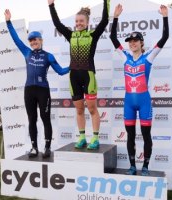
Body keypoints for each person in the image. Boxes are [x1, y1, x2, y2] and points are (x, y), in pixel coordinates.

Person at [110, 4, 169, 176]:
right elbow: (113, 38)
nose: (132, 43)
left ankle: (145, 166)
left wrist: (165, 17)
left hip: (144, 102)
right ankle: (132, 166)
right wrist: (115, 18)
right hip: (129, 102)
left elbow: (164, 37)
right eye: (130, 41)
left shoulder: (148, 56)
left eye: (135, 41)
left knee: (146, 135)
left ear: (141, 42)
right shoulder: (124, 57)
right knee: (130, 136)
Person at [4, 9, 70, 158]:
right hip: (29, 90)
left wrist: (73, 66)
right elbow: (16, 40)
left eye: (36, 39)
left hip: (43, 91)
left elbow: (60, 71)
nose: (33, 42)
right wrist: (8, 22)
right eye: (31, 40)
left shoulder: (48, 56)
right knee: (31, 119)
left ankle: (47, 147)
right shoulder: (27, 52)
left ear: (41, 40)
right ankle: (34, 147)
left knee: (45, 119)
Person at [48, 0, 110, 150]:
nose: (78, 23)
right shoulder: (71, 35)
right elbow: (57, 24)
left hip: (88, 76)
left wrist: (106, 1)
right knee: (79, 109)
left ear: (87, 22)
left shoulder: (93, 35)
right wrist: (51, 6)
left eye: (81, 21)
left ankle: (95, 138)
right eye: (76, 21)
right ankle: (82, 137)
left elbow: (105, 20)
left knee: (92, 109)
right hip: (73, 77)